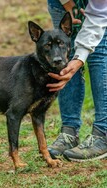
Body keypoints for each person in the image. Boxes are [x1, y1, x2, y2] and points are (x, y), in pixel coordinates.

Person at [46, 0, 107, 161]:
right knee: (65, 49)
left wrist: (79, 58)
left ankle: (103, 132)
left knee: (99, 52)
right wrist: (66, 2)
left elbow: (99, 14)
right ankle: (69, 132)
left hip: (99, 6)